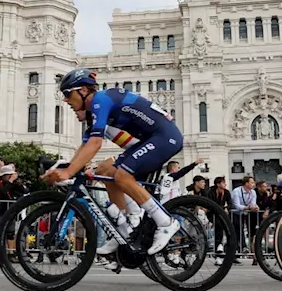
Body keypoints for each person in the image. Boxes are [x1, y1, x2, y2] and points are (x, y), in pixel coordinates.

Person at [41, 69, 183, 256]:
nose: (65, 100)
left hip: (165, 137)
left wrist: (68, 173)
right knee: (107, 174)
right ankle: (122, 232)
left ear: (83, 90)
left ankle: (166, 222)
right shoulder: (95, 113)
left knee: (122, 175)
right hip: (150, 139)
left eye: (68, 94)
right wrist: (67, 169)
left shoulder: (100, 100)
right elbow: (85, 147)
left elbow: (96, 144)